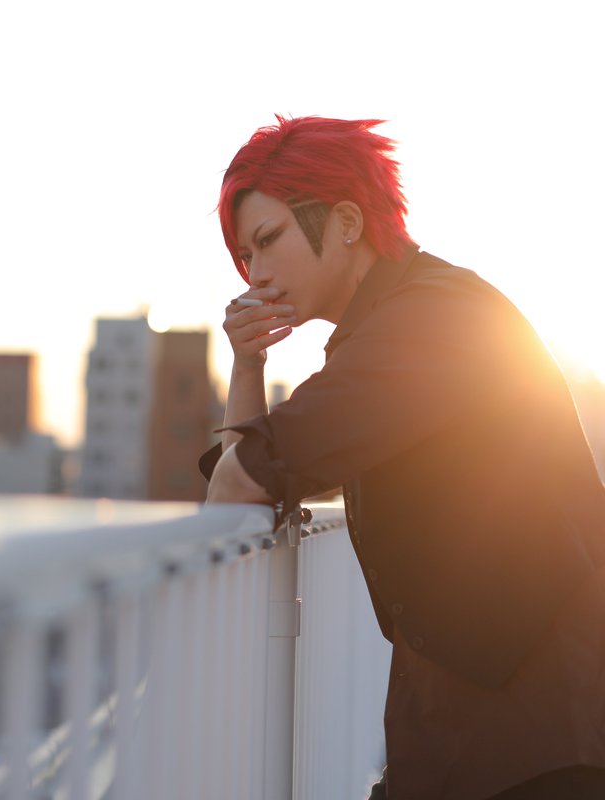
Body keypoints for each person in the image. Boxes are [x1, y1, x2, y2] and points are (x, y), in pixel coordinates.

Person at [200, 116, 605, 800]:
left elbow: (245, 480)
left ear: (346, 222)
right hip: (473, 724)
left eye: (268, 241)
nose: (255, 274)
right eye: (245, 257)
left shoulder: (424, 322)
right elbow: (251, 472)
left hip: (540, 739)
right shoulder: (404, 316)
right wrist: (248, 363)